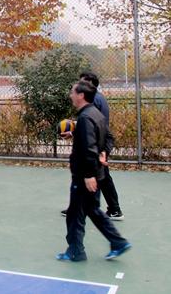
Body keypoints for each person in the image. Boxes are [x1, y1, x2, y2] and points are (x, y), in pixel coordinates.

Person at [56, 81, 131, 262]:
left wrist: (89, 175)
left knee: (75, 214)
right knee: (90, 210)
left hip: (85, 176)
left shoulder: (85, 118)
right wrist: (103, 151)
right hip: (96, 173)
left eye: (73, 92)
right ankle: (116, 243)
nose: (71, 95)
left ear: (81, 95)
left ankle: (77, 251)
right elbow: (107, 137)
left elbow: (89, 148)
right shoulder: (96, 114)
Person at [61, 72, 124, 220]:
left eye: (82, 83)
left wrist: (74, 131)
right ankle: (112, 209)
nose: (79, 86)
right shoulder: (98, 98)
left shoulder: (94, 101)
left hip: (96, 145)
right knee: (100, 177)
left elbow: (90, 125)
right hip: (99, 143)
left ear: (89, 85)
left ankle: (110, 209)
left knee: (93, 176)